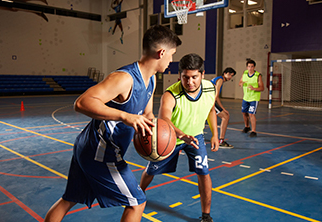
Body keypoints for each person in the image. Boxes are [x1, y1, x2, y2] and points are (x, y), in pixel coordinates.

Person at [44, 25, 182, 222]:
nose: (171, 60)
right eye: (172, 55)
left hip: (91, 146)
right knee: (137, 202)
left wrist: (165, 137)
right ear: (161, 53)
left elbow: (148, 113)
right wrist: (124, 116)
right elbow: (82, 102)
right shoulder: (124, 79)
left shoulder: (150, 79)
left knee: (69, 199)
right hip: (100, 152)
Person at [140, 53, 219, 222]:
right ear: (179, 76)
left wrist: (215, 134)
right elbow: (164, 119)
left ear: (203, 75)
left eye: (194, 77)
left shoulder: (210, 88)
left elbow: (211, 109)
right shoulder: (171, 94)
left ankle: (206, 215)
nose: (190, 82)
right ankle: (138, 193)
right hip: (170, 138)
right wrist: (182, 135)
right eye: (185, 77)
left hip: (196, 137)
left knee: (204, 172)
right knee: (151, 169)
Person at [210, 67, 236, 148]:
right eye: (229, 74)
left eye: (231, 76)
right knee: (225, 116)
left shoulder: (218, 79)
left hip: (207, 99)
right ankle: (221, 140)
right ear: (224, 73)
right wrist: (223, 109)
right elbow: (216, 96)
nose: (230, 77)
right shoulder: (220, 80)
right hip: (209, 100)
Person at [239, 59, 264, 137]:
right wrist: (241, 84)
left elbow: (262, 88)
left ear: (254, 67)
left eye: (252, 66)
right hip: (246, 97)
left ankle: (253, 131)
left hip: (254, 98)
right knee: (244, 112)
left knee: (251, 114)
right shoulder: (244, 73)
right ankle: (247, 127)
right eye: (249, 66)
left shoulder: (257, 75)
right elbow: (240, 82)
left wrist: (254, 88)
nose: (250, 68)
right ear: (247, 67)